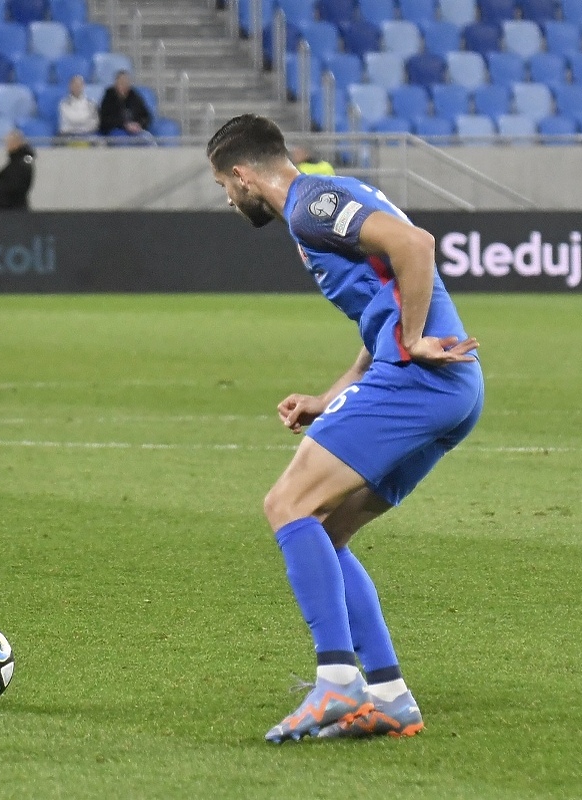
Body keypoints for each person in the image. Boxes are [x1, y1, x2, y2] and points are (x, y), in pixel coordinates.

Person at [206, 114, 482, 742]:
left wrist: (410, 341)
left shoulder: (311, 205)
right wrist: (330, 395)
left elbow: (417, 246)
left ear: (245, 175)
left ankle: (336, 680)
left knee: (287, 504)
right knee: (325, 532)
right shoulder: (320, 209)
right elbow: (379, 308)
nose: (227, 199)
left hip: (418, 380)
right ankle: (388, 695)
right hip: (446, 388)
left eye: (224, 185)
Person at [0, 128, 34, 210]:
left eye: (10, 142)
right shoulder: (15, 163)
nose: (7, 146)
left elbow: (16, 187)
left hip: (14, 211)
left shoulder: (23, 164)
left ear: (17, 142)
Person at [98, 70, 152, 138]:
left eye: (126, 82)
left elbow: (146, 116)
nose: (124, 85)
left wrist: (139, 124)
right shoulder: (108, 97)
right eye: (121, 82)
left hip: (135, 131)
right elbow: (104, 120)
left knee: (147, 139)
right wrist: (124, 125)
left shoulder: (134, 96)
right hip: (116, 130)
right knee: (123, 141)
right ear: (116, 84)